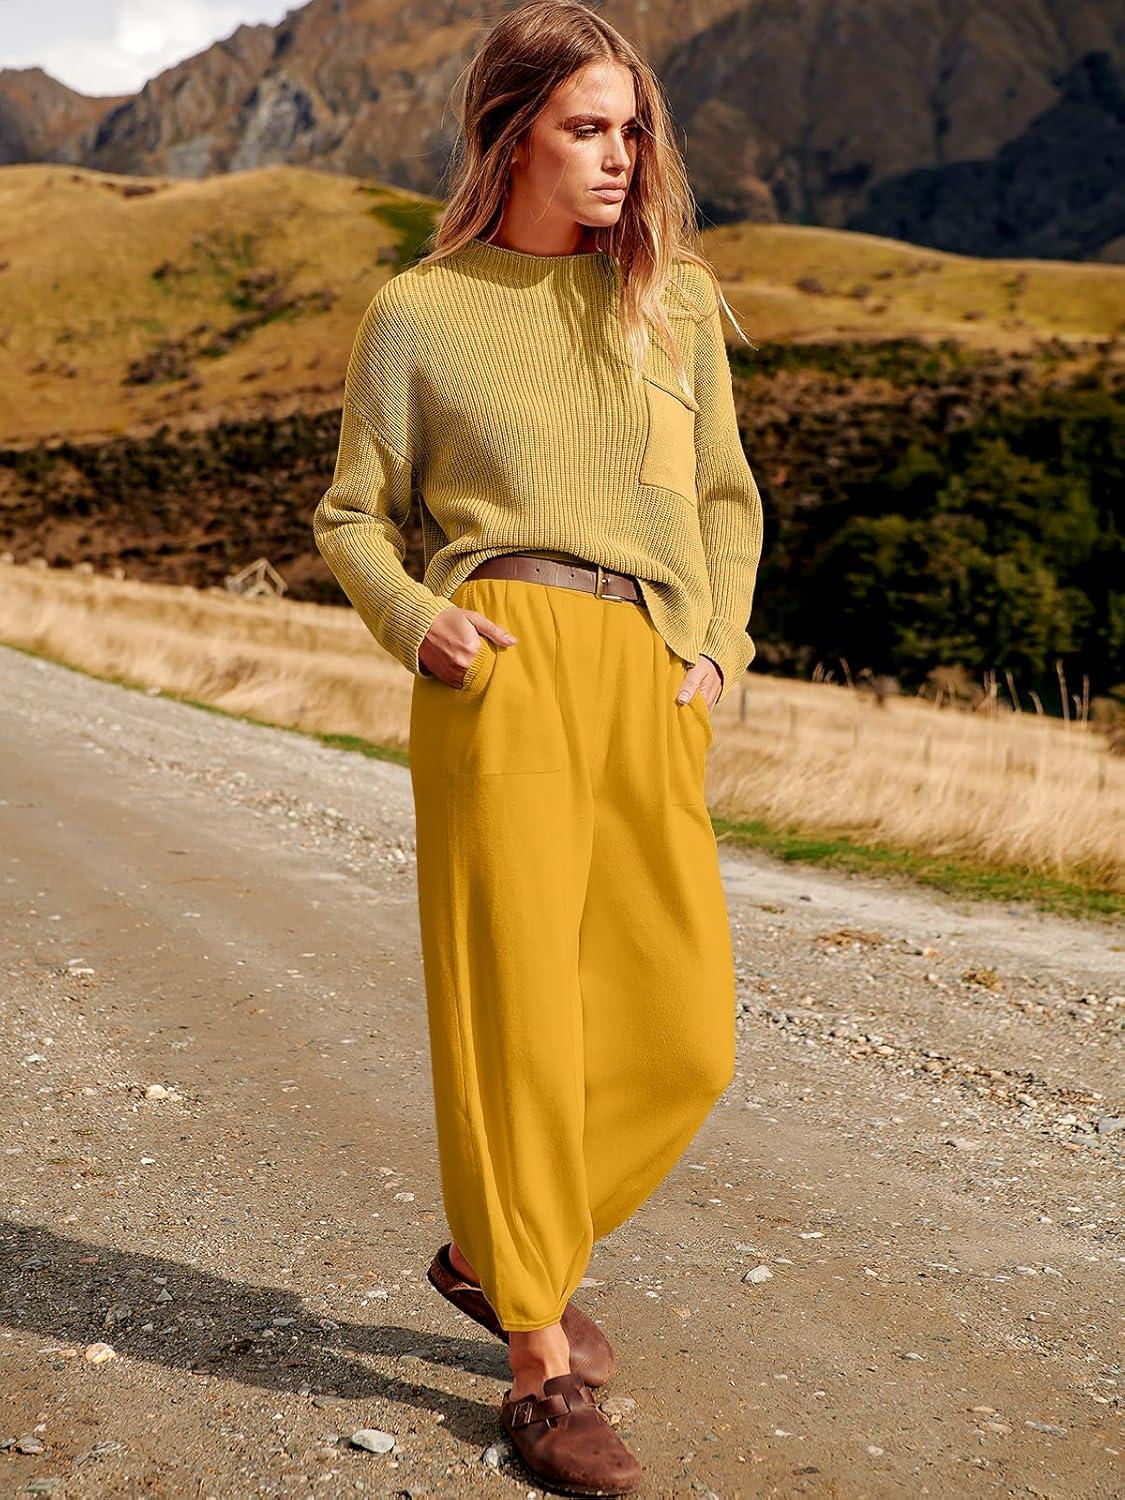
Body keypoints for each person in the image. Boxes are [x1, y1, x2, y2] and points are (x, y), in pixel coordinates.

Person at [313, 2, 764, 1491]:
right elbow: (353, 517)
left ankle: (494, 1251)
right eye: (587, 128)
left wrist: (715, 649)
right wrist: (415, 620)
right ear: (511, 136)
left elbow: (724, 502)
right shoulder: (420, 311)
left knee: (686, 1033)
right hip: (500, 663)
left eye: (633, 129)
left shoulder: (674, 301)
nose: (621, 156)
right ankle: (537, 1366)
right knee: (518, 1019)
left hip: (648, 674)